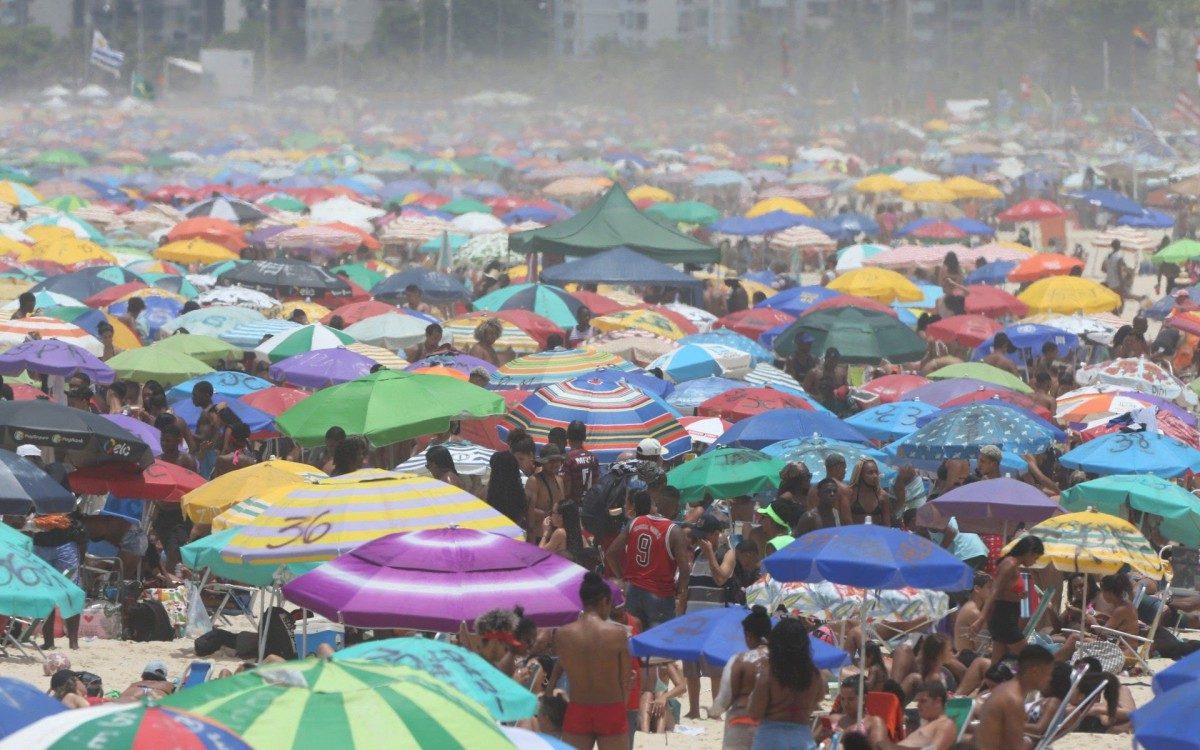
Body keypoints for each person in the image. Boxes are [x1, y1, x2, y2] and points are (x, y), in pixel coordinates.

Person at [556, 572, 633, 750]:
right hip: (610, 707)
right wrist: (622, 707)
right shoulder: (617, 634)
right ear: (605, 601)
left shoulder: (563, 634)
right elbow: (626, 678)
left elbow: (564, 666)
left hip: (578, 708)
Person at [606, 483, 690, 629]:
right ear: (676, 507)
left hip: (633, 591)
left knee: (635, 635)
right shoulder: (674, 531)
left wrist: (623, 577)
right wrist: (680, 589)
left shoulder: (636, 522)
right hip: (660, 594)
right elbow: (685, 569)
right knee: (658, 639)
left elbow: (610, 554)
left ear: (656, 502)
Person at [747, 618, 826, 749]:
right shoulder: (816, 676)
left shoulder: (769, 675)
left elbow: (755, 713)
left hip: (770, 739)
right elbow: (818, 699)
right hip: (802, 739)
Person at [971, 535, 1045, 663]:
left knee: (997, 664)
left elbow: (1002, 592)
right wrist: (981, 618)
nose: (1035, 562)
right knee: (1031, 659)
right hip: (1004, 619)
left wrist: (1018, 596)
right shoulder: (1010, 564)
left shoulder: (1013, 565)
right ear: (1029, 552)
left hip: (1005, 618)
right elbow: (995, 591)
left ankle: (985, 677)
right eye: (1035, 557)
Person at [711, 605, 772, 749]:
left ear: (748, 635)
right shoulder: (782, 661)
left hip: (741, 725)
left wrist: (713, 711)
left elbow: (724, 699)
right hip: (770, 727)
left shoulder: (739, 660)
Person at [973, 645, 1055, 750]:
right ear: (1035, 671)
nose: (1050, 679)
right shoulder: (1013, 700)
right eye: (1049, 673)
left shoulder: (1004, 689)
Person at [868, 681, 958, 750]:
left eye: (923, 701)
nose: (918, 705)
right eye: (918, 701)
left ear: (938, 702)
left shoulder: (946, 724)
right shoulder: (927, 724)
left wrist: (893, 748)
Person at [526, 443, 565, 539]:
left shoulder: (559, 481)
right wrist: (547, 514)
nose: (555, 464)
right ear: (543, 463)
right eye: (551, 461)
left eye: (557, 460)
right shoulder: (534, 481)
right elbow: (527, 510)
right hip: (538, 536)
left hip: (556, 537)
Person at [562, 420, 599, 505]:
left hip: (573, 506)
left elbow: (566, 488)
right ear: (584, 438)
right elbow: (596, 483)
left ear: (568, 438)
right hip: (590, 505)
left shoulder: (568, 458)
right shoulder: (593, 457)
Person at [846, 458, 891, 526]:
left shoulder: (882, 495)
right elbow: (844, 520)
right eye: (870, 473)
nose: (875, 476)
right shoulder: (850, 493)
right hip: (853, 532)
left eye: (876, 472)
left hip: (876, 532)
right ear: (860, 475)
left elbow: (887, 524)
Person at [1102, 240, 1128, 313]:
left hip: (1108, 281)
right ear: (1119, 246)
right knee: (1120, 300)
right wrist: (1122, 282)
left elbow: (1103, 269)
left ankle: (1112, 314)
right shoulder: (1119, 257)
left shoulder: (1108, 256)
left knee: (1111, 300)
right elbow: (1119, 272)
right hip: (1117, 282)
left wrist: (1110, 270)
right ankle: (1118, 315)